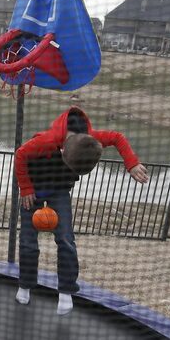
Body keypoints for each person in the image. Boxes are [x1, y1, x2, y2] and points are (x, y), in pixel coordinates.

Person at [14, 106, 149, 315]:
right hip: (33, 190)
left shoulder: (91, 138)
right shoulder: (44, 142)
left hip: (59, 191)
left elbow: (117, 137)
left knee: (66, 240)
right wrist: (26, 188)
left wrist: (131, 163)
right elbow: (20, 155)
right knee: (28, 241)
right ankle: (25, 285)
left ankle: (66, 291)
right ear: (61, 151)